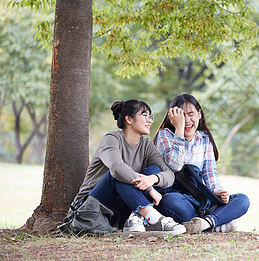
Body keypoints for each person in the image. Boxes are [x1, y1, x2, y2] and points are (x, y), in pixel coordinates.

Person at [73, 99, 186, 234]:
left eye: (150, 116)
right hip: (90, 209)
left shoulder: (146, 145)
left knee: (154, 171)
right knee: (117, 174)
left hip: (119, 209)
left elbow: (169, 174)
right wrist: (150, 188)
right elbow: (116, 168)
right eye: (144, 115)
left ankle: (135, 218)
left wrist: (153, 179)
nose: (149, 120)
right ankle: (155, 219)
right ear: (129, 119)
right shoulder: (111, 138)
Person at [153, 93, 250, 233]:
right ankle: (218, 222)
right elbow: (175, 165)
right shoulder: (164, 135)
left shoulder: (204, 139)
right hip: (177, 196)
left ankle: (206, 223)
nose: (187, 119)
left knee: (242, 200)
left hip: (200, 198)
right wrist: (179, 130)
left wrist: (217, 191)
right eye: (181, 115)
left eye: (191, 114)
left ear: (199, 114)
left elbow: (210, 173)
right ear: (173, 117)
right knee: (171, 201)